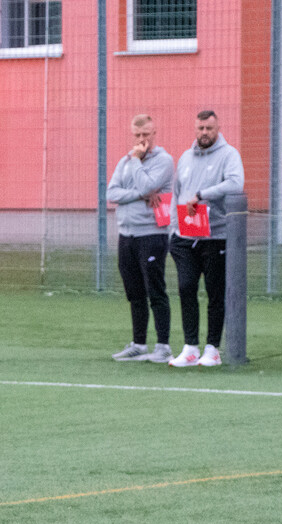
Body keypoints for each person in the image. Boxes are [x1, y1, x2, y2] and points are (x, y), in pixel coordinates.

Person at [167, 110, 245, 368]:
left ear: (218, 128)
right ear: (195, 128)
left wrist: (203, 194)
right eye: (200, 128)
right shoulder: (186, 158)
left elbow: (236, 183)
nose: (204, 133)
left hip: (216, 236)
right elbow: (177, 193)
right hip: (185, 237)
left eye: (209, 129)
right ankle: (190, 347)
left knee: (215, 293)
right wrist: (172, 229)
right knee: (186, 288)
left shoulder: (229, 155)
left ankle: (212, 348)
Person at [107, 114, 174, 363]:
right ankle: (138, 344)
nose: (141, 140)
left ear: (154, 134)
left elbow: (149, 186)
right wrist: (139, 195)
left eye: (146, 134)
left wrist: (136, 162)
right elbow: (111, 192)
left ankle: (163, 346)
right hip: (127, 234)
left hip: (152, 234)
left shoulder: (163, 161)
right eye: (137, 135)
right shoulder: (125, 162)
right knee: (134, 292)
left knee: (155, 290)